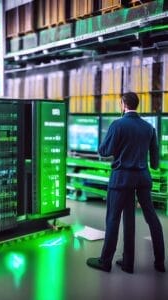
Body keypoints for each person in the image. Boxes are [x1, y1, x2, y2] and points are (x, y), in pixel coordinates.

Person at [86, 92, 165, 273]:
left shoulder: (118, 124)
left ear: (123, 104)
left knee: (113, 218)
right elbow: (154, 162)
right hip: (143, 178)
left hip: (122, 179)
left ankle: (105, 261)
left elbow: (104, 151)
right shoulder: (148, 127)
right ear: (136, 105)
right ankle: (154, 262)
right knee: (150, 218)